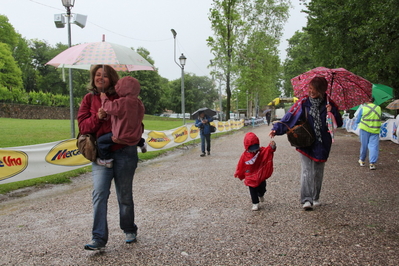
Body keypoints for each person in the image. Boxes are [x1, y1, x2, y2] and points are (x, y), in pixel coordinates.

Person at [77, 65, 141, 251]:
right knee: (99, 195)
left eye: (104, 75)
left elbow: (136, 122)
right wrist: (98, 118)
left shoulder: (125, 98)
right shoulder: (89, 99)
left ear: (112, 79)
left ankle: (129, 229)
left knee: (125, 195)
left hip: (124, 151)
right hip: (100, 153)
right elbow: (83, 127)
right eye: (97, 75)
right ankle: (98, 238)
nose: (100, 78)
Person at [269, 76, 343, 210]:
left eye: (314, 89)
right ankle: (306, 200)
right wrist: (276, 129)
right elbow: (290, 116)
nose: (311, 91)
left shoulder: (329, 103)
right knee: (307, 171)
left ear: (321, 90)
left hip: (323, 143)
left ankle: (315, 197)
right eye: (309, 88)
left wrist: (332, 112)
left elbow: (340, 123)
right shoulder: (303, 102)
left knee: (318, 172)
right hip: (306, 141)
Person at [96, 76, 146, 168]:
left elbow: (108, 107)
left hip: (121, 135)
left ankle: (106, 160)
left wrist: (103, 98)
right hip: (136, 135)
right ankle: (142, 143)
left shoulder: (122, 102)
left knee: (101, 141)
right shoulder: (138, 102)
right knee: (134, 139)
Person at [234, 132, 276, 211]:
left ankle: (261, 194)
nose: (254, 151)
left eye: (255, 148)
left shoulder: (261, 151)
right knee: (252, 189)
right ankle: (255, 203)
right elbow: (241, 164)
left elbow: (268, 151)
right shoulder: (245, 155)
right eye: (252, 148)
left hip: (260, 175)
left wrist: (272, 147)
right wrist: (239, 172)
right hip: (250, 175)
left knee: (262, 187)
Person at [355, 97, 382, 170]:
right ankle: (372, 163)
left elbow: (357, 120)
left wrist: (357, 123)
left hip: (364, 129)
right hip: (375, 130)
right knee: (374, 146)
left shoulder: (363, 108)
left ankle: (362, 160)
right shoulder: (378, 108)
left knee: (364, 145)